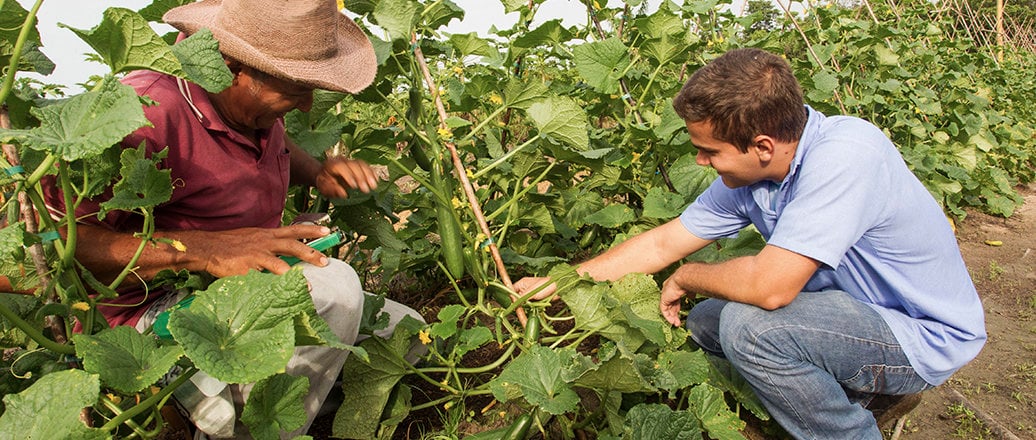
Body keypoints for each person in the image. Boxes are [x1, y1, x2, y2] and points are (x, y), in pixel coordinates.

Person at [515, 48, 986, 439]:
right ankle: (852, 390)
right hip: (850, 313)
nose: (700, 160)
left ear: (761, 145)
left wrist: (689, 275)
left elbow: (770, 289)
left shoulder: (847, 156)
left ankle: (850, 430)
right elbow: (663, 243)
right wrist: (561, 284)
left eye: (710, 150)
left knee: (749, 327)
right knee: (706, 322)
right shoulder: (752, 177)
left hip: (920, 335)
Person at [41, 0, 423, 438]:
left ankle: (247, 409)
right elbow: (39, 249)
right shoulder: (143, 112)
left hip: (235, 297)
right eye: (297, 87)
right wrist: (203, 250)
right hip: (152, 326)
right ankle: (207, 413)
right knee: (334, 292)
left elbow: (274, 144)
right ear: (227, 65)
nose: (305, 106)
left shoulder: (247, 107)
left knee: (404, 335)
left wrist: (317, 172)